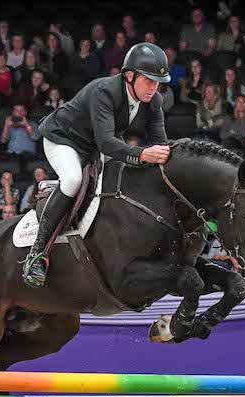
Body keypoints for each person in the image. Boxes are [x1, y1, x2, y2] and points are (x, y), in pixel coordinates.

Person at [23, 42, 172, 287]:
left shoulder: (153, 100)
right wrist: (143, 154)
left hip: (93, 146)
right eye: (149, 80)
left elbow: (161, 143)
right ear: (130, 75)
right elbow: (107, 143)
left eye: (158, 82)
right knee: (72, 180)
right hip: (64, 140)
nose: (154, 88)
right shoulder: (104, 91)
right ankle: (37, 255)